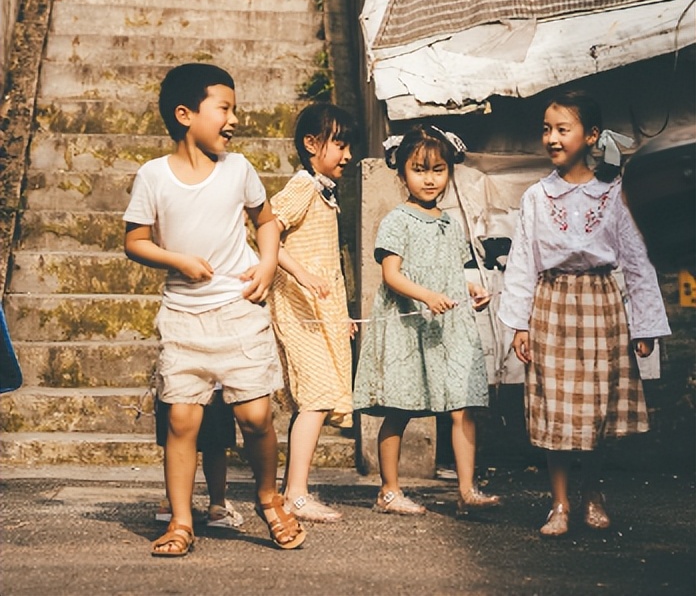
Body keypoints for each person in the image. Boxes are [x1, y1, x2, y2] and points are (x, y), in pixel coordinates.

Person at [124, 63, 305, 556]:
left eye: (234, 109)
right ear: (186, 114)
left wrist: (268, 266)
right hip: (183, 316)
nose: (233, 119)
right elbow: (134, 241)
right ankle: (181, 521)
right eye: (224, 108)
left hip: (237, 309)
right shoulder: (153, 176)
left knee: (256, 414)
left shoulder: (239, 169)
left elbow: (265, 221)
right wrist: (175, 258)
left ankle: (269, 499)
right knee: (182, 419)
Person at [497, 91, 671, 537]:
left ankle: (593, 493)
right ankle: (559, 504)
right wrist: (518, 323)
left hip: (600, 306)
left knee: (593, 409)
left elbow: (636, 259)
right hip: (551, 306)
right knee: (557, 408)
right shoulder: (537, 196)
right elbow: (522, 260)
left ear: (591, 136)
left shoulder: (613, 194)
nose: (552, 138)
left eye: (562, 129)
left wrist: (644, 327)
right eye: (546, 129)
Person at [352, 125, 500, 516]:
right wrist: (427, 296)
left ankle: (467, 490)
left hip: (448, 327)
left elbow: (455, 269)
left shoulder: (451, 224)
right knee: (399, 408)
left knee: (462, 405)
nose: (430, 178)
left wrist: (472, 290)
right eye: (419, 169)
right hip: (408, 323)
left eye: (438, 169)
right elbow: (392, 275)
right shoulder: (397, 220)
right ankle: (389, 490)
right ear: (401, 173)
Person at [267, 103, 357, 522]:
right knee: (317, 396)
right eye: (339, 144)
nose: (348, 155)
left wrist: (343, 316)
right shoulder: (302, 185)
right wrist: (300, 274)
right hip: (297, 307)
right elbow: (268, 231)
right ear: (311, 144)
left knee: (318, 400)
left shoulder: (322, 189)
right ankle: (296, 495)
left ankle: (294, 490)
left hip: (320, 310)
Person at [154, 391, 244, 530]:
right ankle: (218, 507)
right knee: (215, 443)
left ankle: (171, 503)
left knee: (176, 440)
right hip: (214, 381)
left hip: (176, 382)